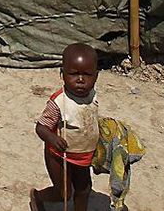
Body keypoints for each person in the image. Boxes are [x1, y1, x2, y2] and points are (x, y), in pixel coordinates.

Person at [31, 43, 100, 211]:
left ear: (96, 76)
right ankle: (37, 197)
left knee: (83, 190)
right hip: (58, 155)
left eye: (87, 74)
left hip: (83, 156)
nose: (81, 80)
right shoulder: (59, 102)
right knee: (64, 192)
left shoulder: (92, 95)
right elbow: (41, 127)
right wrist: (53, 139)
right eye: (74, 74)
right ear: (62, 75)